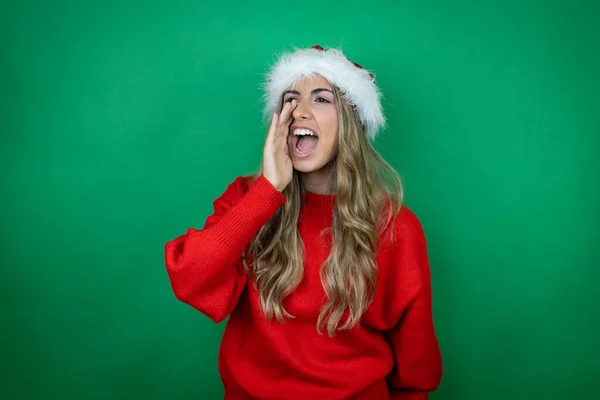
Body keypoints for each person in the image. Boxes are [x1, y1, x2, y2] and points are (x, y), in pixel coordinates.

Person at [164, 45, 443, 400]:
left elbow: (415, 363)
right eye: (291, 99)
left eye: (322, 99)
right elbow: (189, 277)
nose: (301, 112)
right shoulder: (247, 199)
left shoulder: (396, 226)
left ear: (352, 122)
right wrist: (267, 192)